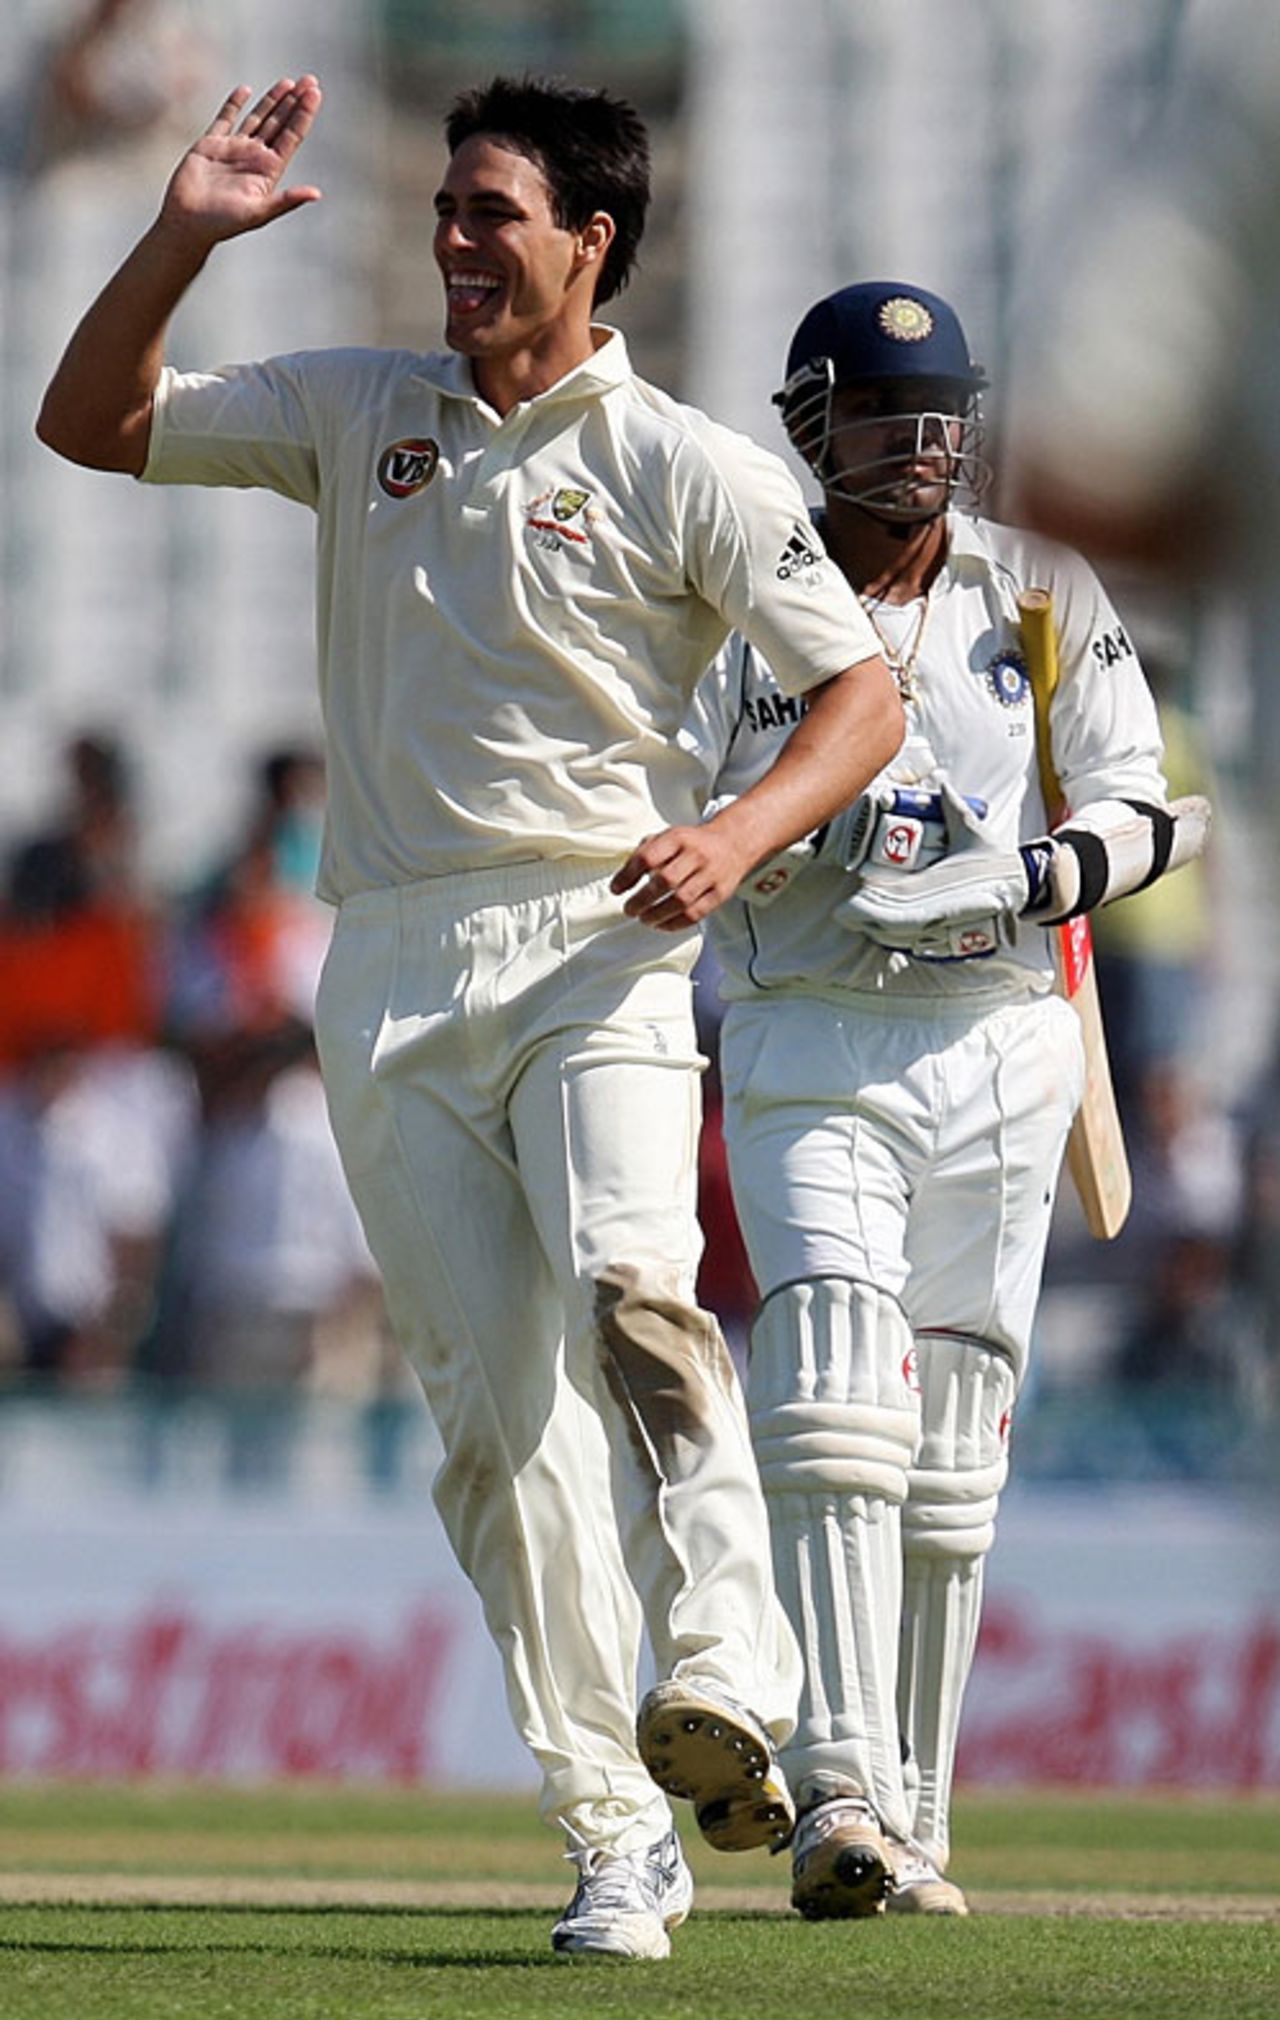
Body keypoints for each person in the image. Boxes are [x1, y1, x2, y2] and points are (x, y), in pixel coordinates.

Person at [35, 76, 904, 1958]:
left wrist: (738, 835)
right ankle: (617, 1831)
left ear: (592, 242)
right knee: (496, 1432)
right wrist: (185, 230)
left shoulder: (689, 462)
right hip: (392, 955)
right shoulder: (364, 409)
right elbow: (84, 423)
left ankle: (727, 1671)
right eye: (443, 208)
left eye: (490, 213)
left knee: (636, 1293)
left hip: (601, 932)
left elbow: (861, 700)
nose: (451, 239)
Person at [685, 280, 1207, 1919]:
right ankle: (841, 1788)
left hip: (1003, 1029)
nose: (917, 448)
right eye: (879, 416)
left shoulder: (1039, 584)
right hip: (812, 1023)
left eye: (939, 417)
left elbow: (1153, 805)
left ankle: (915, 1818)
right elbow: (680, 800)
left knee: (955, 1453)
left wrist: (1035, 873)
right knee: (838, 1383)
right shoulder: (744, 590)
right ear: (807, 425)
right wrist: (808, 827)